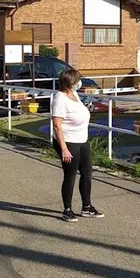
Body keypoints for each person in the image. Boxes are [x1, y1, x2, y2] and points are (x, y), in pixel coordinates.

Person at [51, 69, 103, 222]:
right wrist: (64, 149)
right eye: (77, 81)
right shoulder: (59, 99)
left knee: (87, 173)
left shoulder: (74, 94)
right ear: (70, 83)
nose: (79, 83)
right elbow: (57, 126)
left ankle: (87, 207)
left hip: (82, 139)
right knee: (70, 176)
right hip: (68, 142)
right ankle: (67, 209)